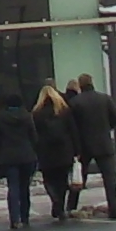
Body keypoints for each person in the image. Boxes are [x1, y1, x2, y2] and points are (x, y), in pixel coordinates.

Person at [64, 74, 116, 222]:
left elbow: (71, 125)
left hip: (84, 145)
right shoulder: (104, 98)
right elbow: (115, 118)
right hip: (104, 143)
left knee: (79, 177)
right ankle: (114, 208)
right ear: (92, 83)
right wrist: (106, 129)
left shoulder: (75, 102)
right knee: (110, 179)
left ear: (80, 85)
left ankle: (71, 206)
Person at [0, 85, 41, 229]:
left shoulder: (1, 118)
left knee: (13, 187)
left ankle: (14, 219)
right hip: (27, 156)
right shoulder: (27, 116)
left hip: (8, 157)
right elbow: (34, 137)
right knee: (25, 187)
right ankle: (25, 217)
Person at [30, 84, 78, 223]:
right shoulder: (64, 110)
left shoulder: (36, 113)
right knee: (62, 180)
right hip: (64, 150)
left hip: (46, 152)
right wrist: (76, 149)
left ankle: (54, 199)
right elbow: (73, 130)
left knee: (49, 179)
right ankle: (60, 206)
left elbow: (34, 134)